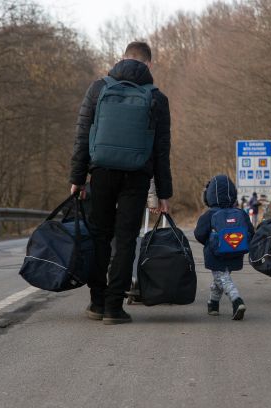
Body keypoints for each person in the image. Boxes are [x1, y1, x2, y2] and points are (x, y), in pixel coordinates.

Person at [70, 41, 172, 325]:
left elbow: (82, 136)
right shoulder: (156, 98)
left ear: (122, 59)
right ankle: (114, 307)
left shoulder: (98, 88)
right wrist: (164, 193)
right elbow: (161, 151)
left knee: (100, 235)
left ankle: (96, 302)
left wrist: (77, 178)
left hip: (100, 172)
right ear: (149, 65)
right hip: (137, 175)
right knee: (125, 239)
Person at [194, 175, 253, 320]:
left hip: (215, 254)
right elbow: (251, 233)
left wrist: (209, 243)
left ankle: (236, 300)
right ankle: (213, 304)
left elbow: (199, 234)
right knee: (221, 277)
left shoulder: (209, 215)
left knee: (222, 277)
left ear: (209, 196)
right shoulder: (241, 214)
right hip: (235, 252)